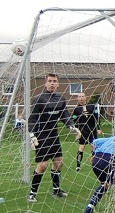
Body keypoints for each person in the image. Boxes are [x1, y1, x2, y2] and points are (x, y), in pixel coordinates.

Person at [27, 73, 81, 202]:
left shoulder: (60, 98)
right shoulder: (39, 98)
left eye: (54, 81)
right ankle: (32, 193)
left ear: (58, 84)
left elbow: (65, 115)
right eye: (50, 81)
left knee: (58, 162)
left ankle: (56, 190)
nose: (52, 83)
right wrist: (32, 134)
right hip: (42, 135)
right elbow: (32, 118)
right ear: (45, 83)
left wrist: (71, 126)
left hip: (54, 135)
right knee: (43, 165)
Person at [72, 92, 102, 172]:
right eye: (79, 97)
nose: (81, 98)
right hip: (83, 130)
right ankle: (78, 166)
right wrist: (75, 130)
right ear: (77, 99)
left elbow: (97, 118)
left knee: (93, 146)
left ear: (86, 97)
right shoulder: (76, 109)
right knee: (82, 147)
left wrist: (99, 128)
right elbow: (74, 120)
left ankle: (95, 164)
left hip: (92, 129)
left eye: (82, 96)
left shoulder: (92, 107)